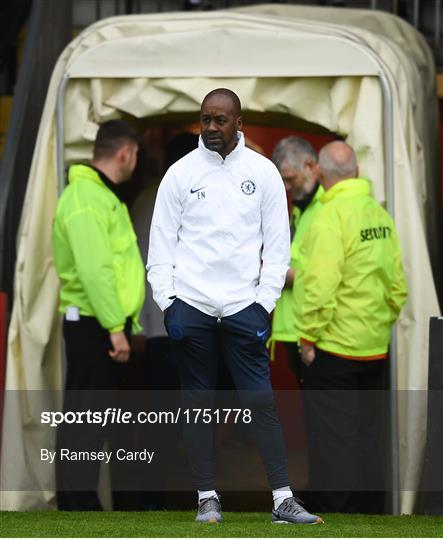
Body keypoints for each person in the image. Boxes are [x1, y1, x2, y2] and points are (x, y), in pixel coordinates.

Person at [147, 88, 323, 525]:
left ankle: (282, 499)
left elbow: (278, 248)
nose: (210, 128)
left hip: (246, 308)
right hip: (193, 308)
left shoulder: (263, 173)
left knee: (261, 403)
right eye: (205, 120)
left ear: (238, 123)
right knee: (198, 404)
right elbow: (160, 248)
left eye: (219, 120)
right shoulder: (179, 174)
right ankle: (207, 497)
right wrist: (170, 305)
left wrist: (263, 305)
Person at [293, 141, 408, 513]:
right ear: (356, 171)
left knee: (334, 439)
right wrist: (378, 320)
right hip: (374, 346)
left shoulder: (329, 216)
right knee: (367, 434)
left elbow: (320, 285)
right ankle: (370, 512)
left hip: (335, 346)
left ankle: (338, 512)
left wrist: (308, 335)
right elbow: (397, 287)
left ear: (322, 175)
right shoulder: (379, 214)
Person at [52, 119, 145, 510]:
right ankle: (78, 507)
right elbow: (96, 270)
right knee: (86, 423)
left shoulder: (102, 196)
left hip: (99, 324)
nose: (136, 160)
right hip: (94, 325)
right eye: (137, 153)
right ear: (125, 153)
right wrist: (115, 328)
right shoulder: (87, 198)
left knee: (92, 421)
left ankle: (80, 502)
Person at [269, 136, 323, 378]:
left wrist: (286, 276)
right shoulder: (300, 208)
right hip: (296, 328)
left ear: (311, 166)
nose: (287, 188)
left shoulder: (328, 208)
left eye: (290, 179)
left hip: (319, 333)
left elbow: (334, 273)